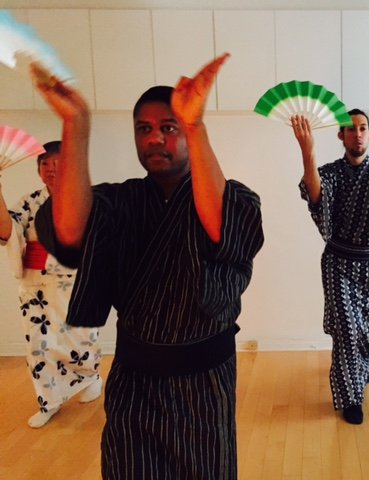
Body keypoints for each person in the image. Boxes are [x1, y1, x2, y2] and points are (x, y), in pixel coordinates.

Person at [32, 54, 264, 479]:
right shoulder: (120, 202)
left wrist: (195, 124)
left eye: (169, 128)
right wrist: (76, 125)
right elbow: (69, 231)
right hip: (134, 381)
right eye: (144, 129)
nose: (155, 138)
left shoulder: (237, 198)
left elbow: (224, 231)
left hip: (204, 385)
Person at [291, 110, 369, 424]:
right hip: (339, 263)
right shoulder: (332, 173)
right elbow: (315, 194)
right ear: (342, 136)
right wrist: (307, 151)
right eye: (350, 129)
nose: (357, 133)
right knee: (347, 330)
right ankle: (351, 398)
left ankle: (361, 364)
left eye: (363, 128)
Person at [0, 141, 102, 428]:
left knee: (81, 339)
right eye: (45, 163)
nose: (51, 169)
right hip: (36, 286)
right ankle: (48, 401)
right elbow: (7, 232)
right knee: (39, 346)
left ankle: (90, 378)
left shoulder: (88, 200)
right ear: (38, 170)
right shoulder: (29, 201)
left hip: (76, 282)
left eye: (58, 163)